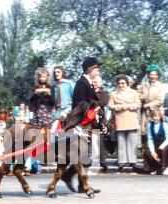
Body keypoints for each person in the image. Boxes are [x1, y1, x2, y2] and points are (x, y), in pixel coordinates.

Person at [61, 57, 103, 194]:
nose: (98, 71)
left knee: (85, 157)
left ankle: (76, 182)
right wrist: (93, 110)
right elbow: (81, 105)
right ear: (89, 69)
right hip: (80, 124)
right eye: (97, 69)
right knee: (84, 156)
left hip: (86, 124)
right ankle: (74, 180)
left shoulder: (88, 83)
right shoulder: (81, 83)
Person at [108, 74, 142, 173]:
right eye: (119, 83)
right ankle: (122, 162)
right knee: (121, 142)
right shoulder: (114, 94)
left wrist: (127, 106)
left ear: (127, 84)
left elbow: (138, 104)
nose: (121, 85)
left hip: (131, 118)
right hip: (120, 119)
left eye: (123, 83)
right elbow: (110, 105)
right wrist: (120, 107)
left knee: (132, 141)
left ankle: (133, 162)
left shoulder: (134, 93)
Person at [137, 65, 166, 142]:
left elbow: (160, 100)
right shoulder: (143, 85)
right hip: (145, 113)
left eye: (155, 75)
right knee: (145, 133)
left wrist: (148, 105)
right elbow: (139, 95)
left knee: (156, 133)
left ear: (158, 76)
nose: (153, 76)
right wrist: (141, 97)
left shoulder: (160, 86)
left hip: (156, 112)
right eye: (151, 74)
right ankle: (145, 152)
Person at [143, 109, 168, 175]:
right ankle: (154, 167)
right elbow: (150, 138)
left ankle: (165, 167)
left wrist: (162, 146)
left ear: (160, 117)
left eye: (156, 116)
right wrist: (152, 151)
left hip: (165, 143)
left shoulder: (165, 124)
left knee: (165, 150)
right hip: (155, 144)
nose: (155, 118)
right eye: (153, 116)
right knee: (147, 151)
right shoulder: (149, 125)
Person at [92, 75, 110, 172]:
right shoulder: (88, 93)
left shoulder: (104, 93)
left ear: (100, 83)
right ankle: (94, 159)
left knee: (101, 142)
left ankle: (103, 162)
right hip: (90, 119)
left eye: (96, 82)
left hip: (100, 119)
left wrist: (96, 106)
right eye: (93, 82)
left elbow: (105, 102)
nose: (94, 84)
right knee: (92, 141)